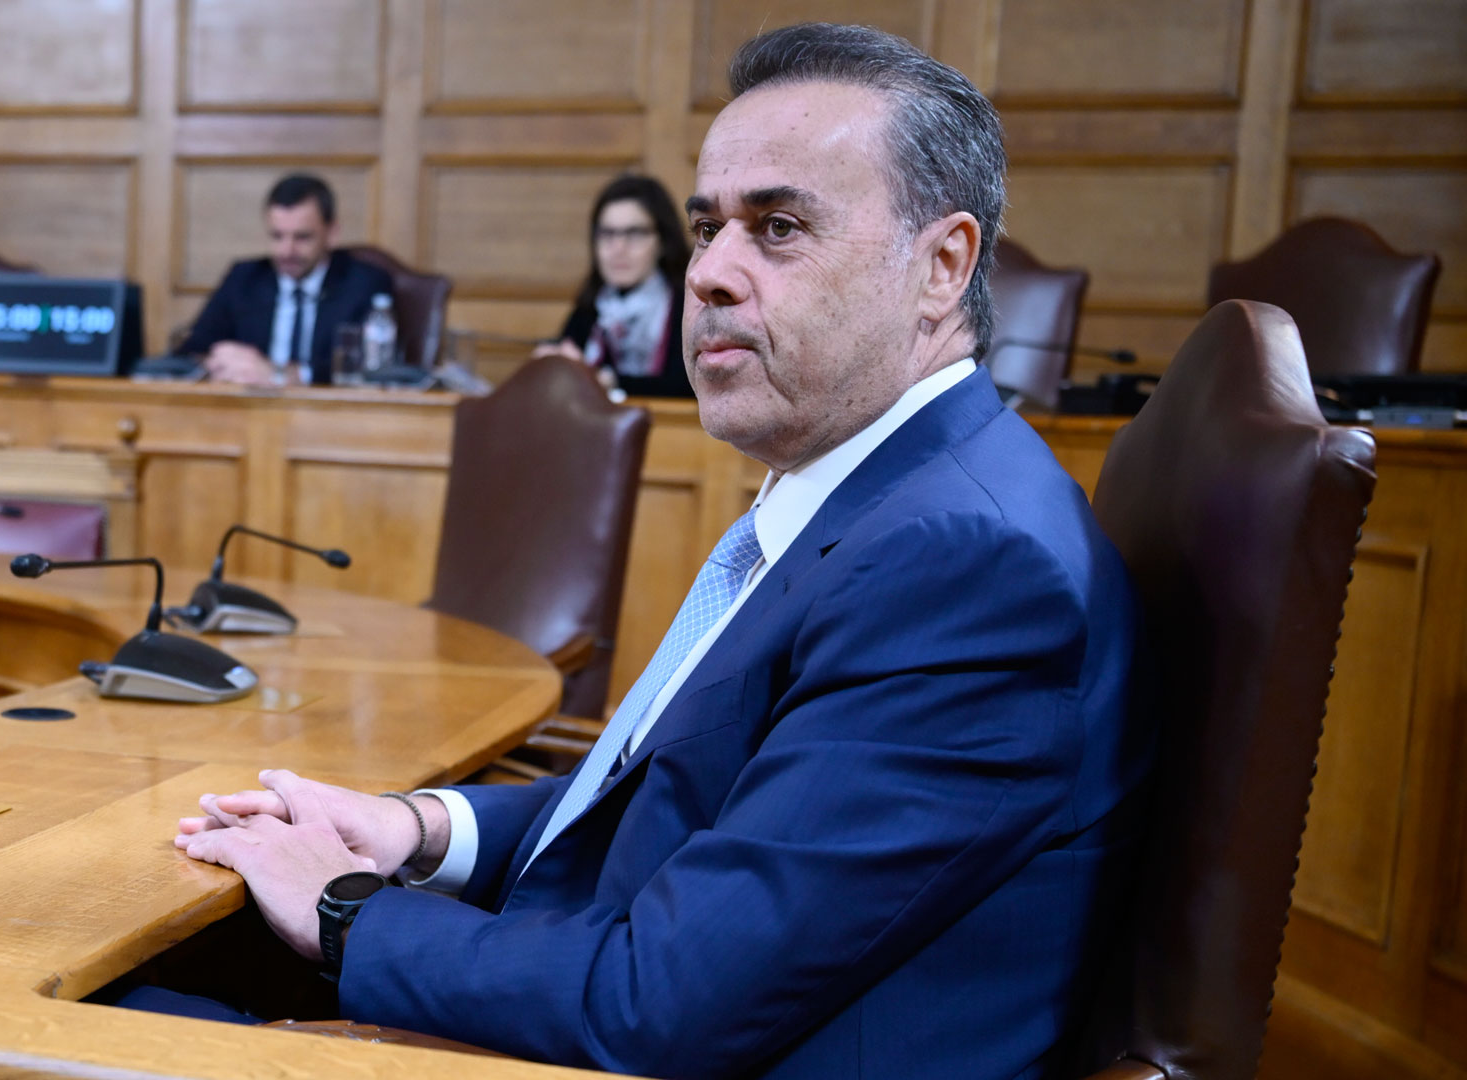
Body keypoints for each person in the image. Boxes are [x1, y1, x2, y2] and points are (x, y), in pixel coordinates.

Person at [158, 23, 1150, 1079]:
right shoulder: (886, 500)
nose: (708, 273)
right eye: (708, 227)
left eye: (777, 228)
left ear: (942, 265)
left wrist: (343, 906)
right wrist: (417, 829)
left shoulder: (965, 570)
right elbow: (674, 807)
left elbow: (658, 1003)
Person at [171, 174, 394, 386]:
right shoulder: (244, 278)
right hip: (251, 406)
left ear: (332, 233)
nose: (287, 251)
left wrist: (281, 374)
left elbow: (370, 367)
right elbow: (192, 351)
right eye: (277, 236)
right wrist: (221, 362)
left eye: (302, 237)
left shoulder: (364, 283)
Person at [533, 174, 695, 398]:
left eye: (634, 233)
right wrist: (553, 364)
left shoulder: (688, 306)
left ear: (662, 243)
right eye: (607, 234)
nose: (618, 248)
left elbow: (689, 386)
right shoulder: (591, 307)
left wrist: (610, 381)